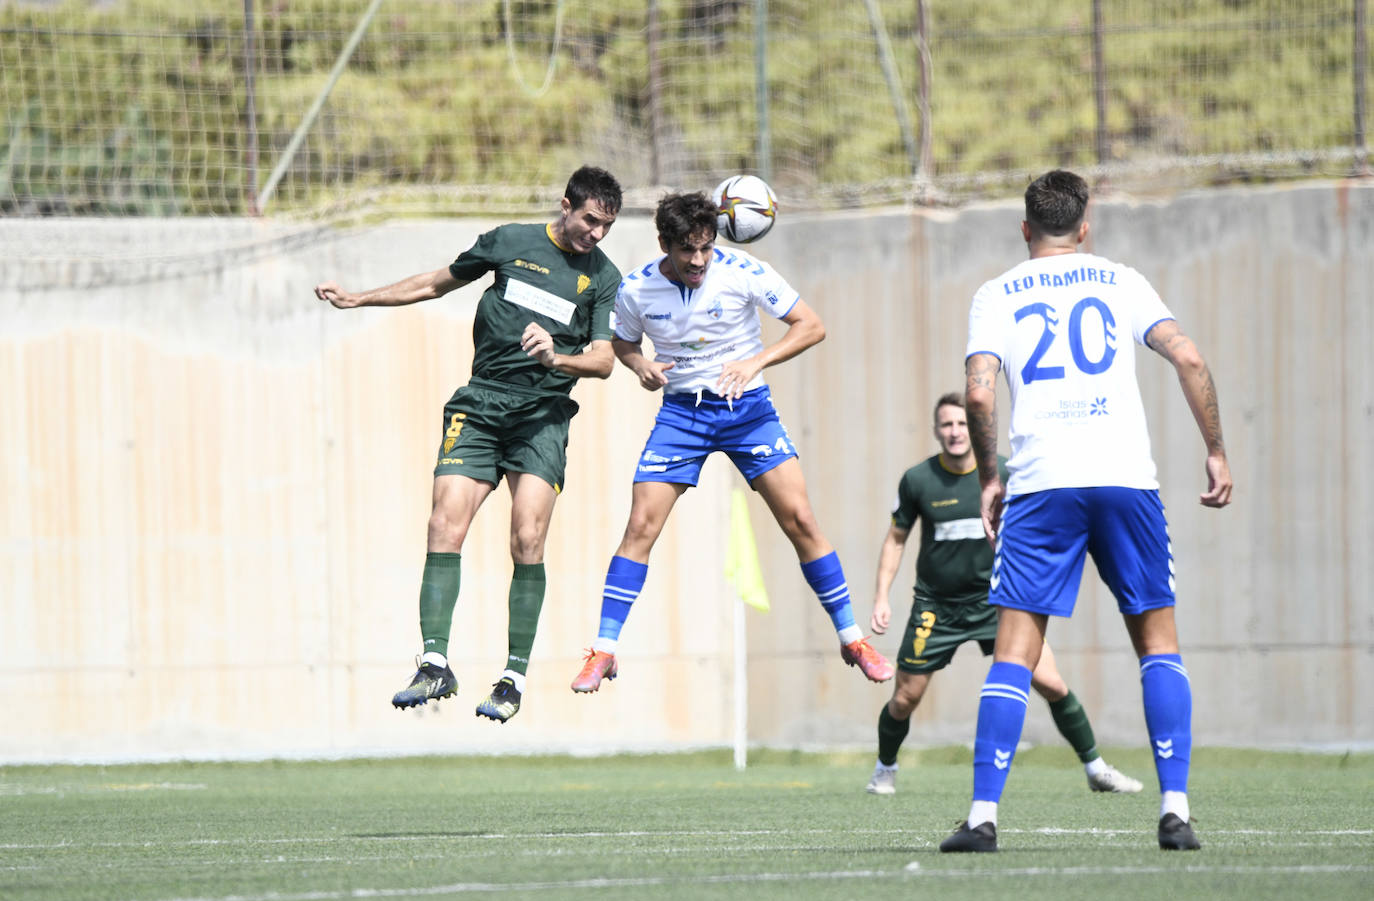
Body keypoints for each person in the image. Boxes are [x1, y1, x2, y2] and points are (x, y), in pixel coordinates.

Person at [939, 169, 1232, 854]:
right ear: (1086, 223)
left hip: (1043, 486)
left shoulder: (996, 294)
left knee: (1013, 654)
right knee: (1157, 644)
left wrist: (988, 476)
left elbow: (979, 397)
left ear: (1025, 228)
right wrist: (1215, 449)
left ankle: (983, 817)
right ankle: (1176, 811)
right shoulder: (1121, 280)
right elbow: (1187, 356)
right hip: (1126, 480)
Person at [313, 165, 624, 724]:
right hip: (480, 405)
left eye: (607, 226)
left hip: (542, 417)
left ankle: (512, 677)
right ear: (566, 205)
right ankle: (434, 663)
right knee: (442, 523)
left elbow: (603, 360)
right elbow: (437, 281)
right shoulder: (509, 242)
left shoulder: (603, 276)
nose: (596, 234)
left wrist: (557, 358)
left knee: (527, 534)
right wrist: (360, 298)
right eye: (590, 220)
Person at [568, 190, 894, 693]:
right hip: (681, 416)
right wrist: (641, 366)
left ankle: (852, 639)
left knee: (802, 519)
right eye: (687, 251)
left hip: (749, 413)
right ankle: (604, 651)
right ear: (664, 244)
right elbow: (625, 344)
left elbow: (812, 325)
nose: (698, 261)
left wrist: (754, 362)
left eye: (705, 248)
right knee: (639, 526)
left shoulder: (744, 270)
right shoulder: (635, 290)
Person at [865, 392, 1142, 797]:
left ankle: (1096, 768)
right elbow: (895, 539)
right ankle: (884, 768)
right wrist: (881, 597)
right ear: (936, 430)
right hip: (936, 607)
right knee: (905, 698)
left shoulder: (1008, 474)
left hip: (999, 601)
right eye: (947, 424)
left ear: (975, 428)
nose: (956, 432)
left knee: (1051, 683)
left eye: (962, 423)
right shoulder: (918, 480)